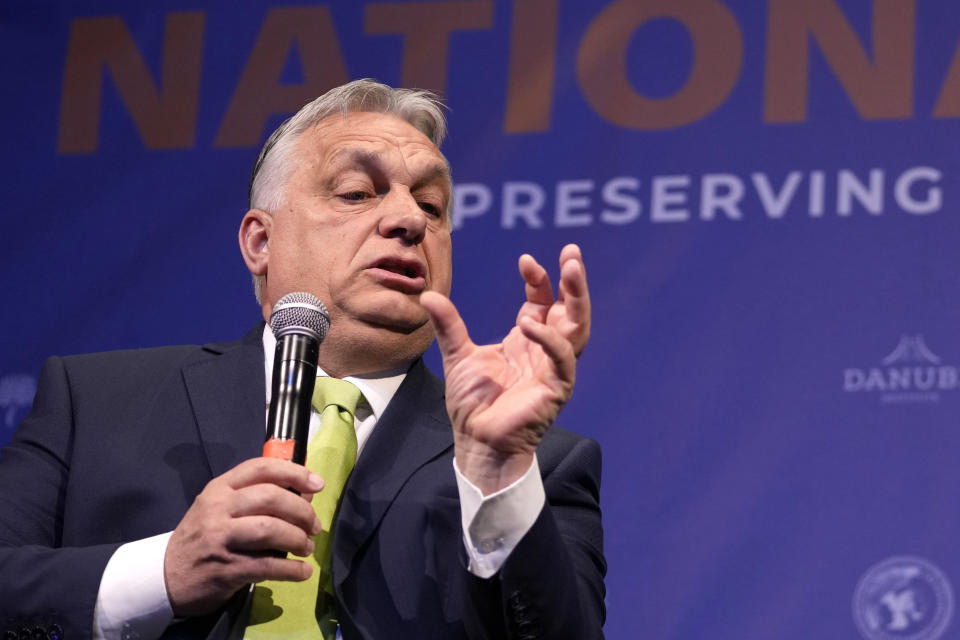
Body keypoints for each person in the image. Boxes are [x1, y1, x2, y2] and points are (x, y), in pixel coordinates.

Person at [0, 80, 605, 639]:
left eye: (432, 205)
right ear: (261, 241)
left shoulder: (534, 465)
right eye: (356, 193)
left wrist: (496, 479)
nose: (406, 221)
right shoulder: (94, 402)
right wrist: (165, 571)